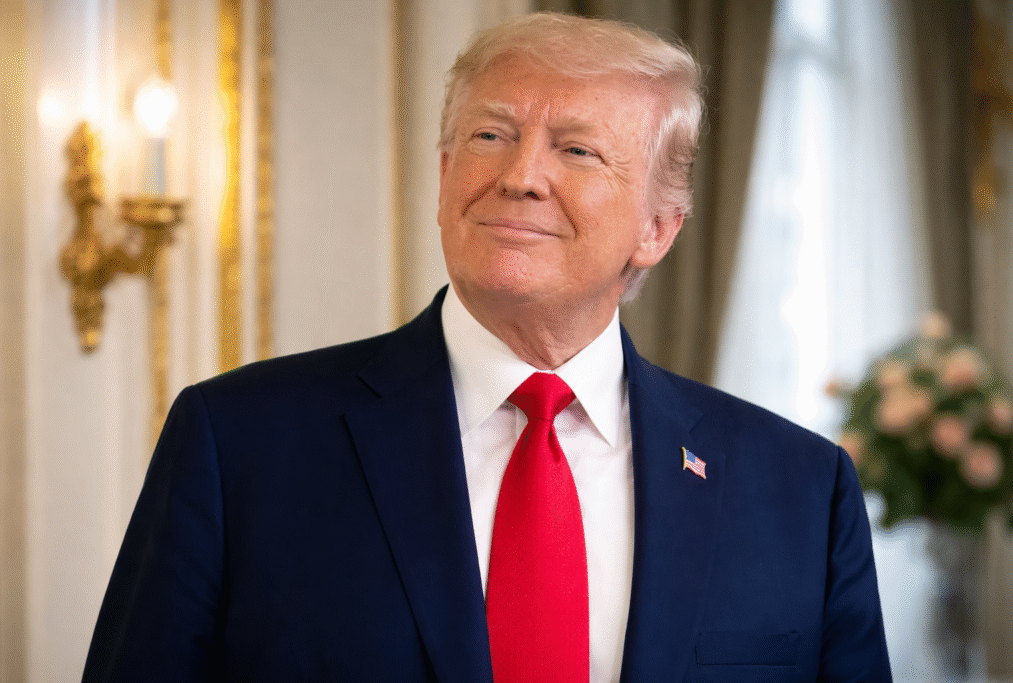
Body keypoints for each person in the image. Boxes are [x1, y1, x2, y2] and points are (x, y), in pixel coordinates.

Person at [82, 12, 891, 683]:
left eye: (576, 149)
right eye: (490, 135)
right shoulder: (238, 442)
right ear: (442, 179)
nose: (521, 176)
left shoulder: (801, 490)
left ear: (657, 227)